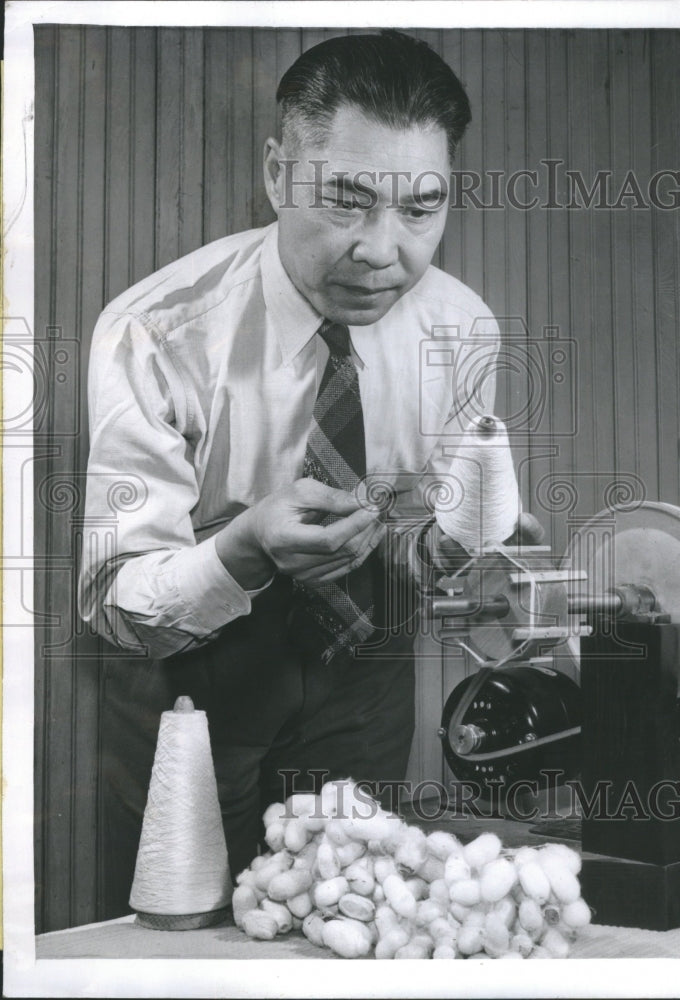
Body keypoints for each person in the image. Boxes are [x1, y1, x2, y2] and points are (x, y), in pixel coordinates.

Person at [79, 30, 537, 878]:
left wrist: (454, 549)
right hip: (190, 691)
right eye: (346, 199)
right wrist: (244, 546)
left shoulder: (462, 327)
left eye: (421, 208)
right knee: (183, 940)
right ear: (276, 175)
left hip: (366, 679)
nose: (381, 250)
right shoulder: (156, 333)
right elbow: (113, 601)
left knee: (357, 918)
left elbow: (434, 545)